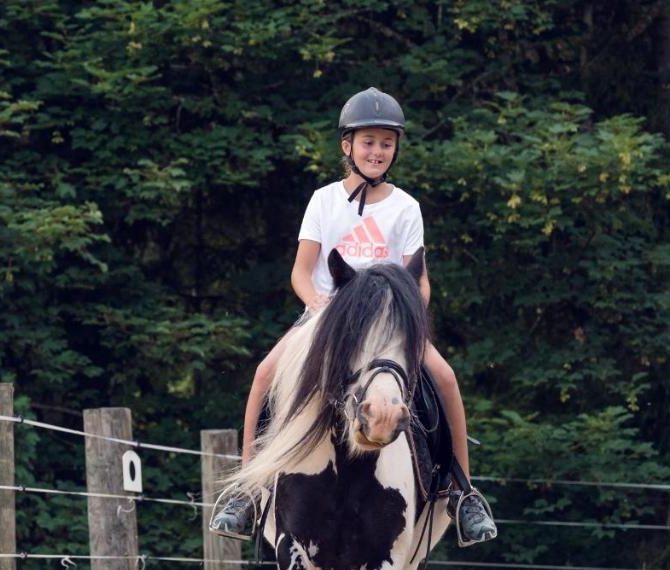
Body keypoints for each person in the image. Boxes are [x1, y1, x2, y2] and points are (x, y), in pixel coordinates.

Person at [211, 87, 497, 546]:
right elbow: (302, 272)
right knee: (265, 374)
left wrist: (404, 310)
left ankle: (464, 494)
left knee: (444, 379)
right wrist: (319, 305)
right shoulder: (323, 202)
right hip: (328, 320)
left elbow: (418, 280)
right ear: (347, 145)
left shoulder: (406, 208)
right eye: (368, 142)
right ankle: (246, 491)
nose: (378, 151)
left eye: (386, 143)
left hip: (387, 324)